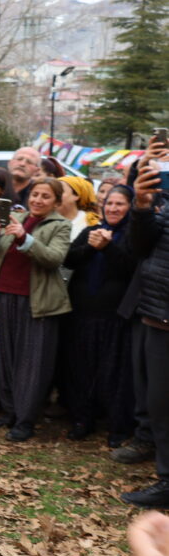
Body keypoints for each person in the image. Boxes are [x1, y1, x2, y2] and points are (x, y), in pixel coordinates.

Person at [0, 178, 71, 442]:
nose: (38, 200)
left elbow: (53, 258)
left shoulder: (61, 225)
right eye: (35, 194)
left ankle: (26, 419)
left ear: (56, 202)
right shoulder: (16, 216)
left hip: (37, 302)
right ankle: (10, 411)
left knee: (32, 364)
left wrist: (24, 237)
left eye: (46, 196)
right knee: (6, 357)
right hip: (5, 295)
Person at [62, 185, 138, 445]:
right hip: (82, 314)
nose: (113, 209)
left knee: (114, 373)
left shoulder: (133, 236)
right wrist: (92, 247)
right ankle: (83, 419)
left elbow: (130, 269)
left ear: (131, 208)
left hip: (114, 317)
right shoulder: (91, 231)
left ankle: (118, 426)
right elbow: (69, 259)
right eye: (109, 203)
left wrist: (108, 248)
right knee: (80, 369)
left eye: (120, 204)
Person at [117, 151, 169, 507]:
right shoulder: (164, 202)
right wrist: (142, 205)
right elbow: (139, 247)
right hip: (157, 314)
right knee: (159, 403)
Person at [57, 175, 101, 244]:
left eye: (60, 191)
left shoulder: (90, 224)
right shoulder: (46, 217)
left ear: (76, 195)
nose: (55, 196)